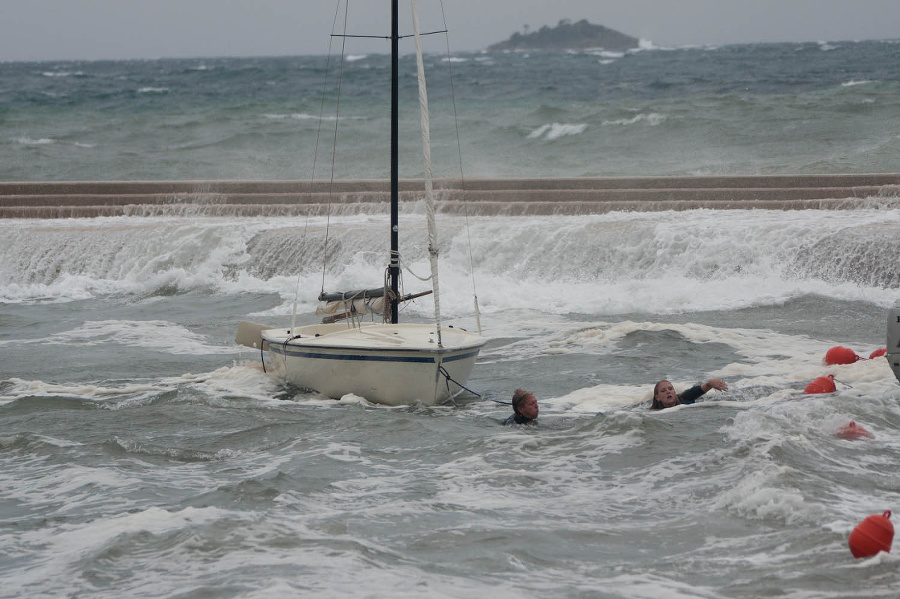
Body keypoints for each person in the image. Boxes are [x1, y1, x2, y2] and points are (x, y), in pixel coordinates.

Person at [650, 377, 728, 410]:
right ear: (657, 397)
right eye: (663, 391)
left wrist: (711, 383)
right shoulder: (655, 411)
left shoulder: (686, 397)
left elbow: (704, 387)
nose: (668, 391)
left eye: (670, 389)